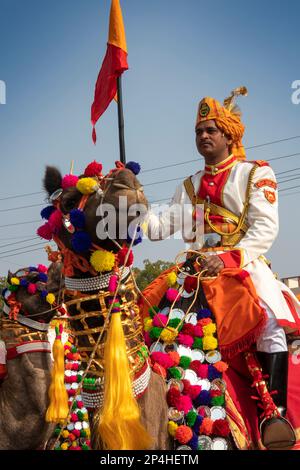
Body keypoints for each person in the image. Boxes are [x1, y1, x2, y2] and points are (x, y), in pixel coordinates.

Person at [143, 87, 300, 449]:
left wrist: (229, 258)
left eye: (211, 130)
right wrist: (128, 203)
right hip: (195, 274)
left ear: (229, 135)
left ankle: (271, 414)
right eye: (198, 132)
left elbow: (265, 230)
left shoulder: (254, 174)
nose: (203, 137)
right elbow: (157, 227)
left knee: (269, 323)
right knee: (154, 325)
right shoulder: (189, 186)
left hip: (243, 267)